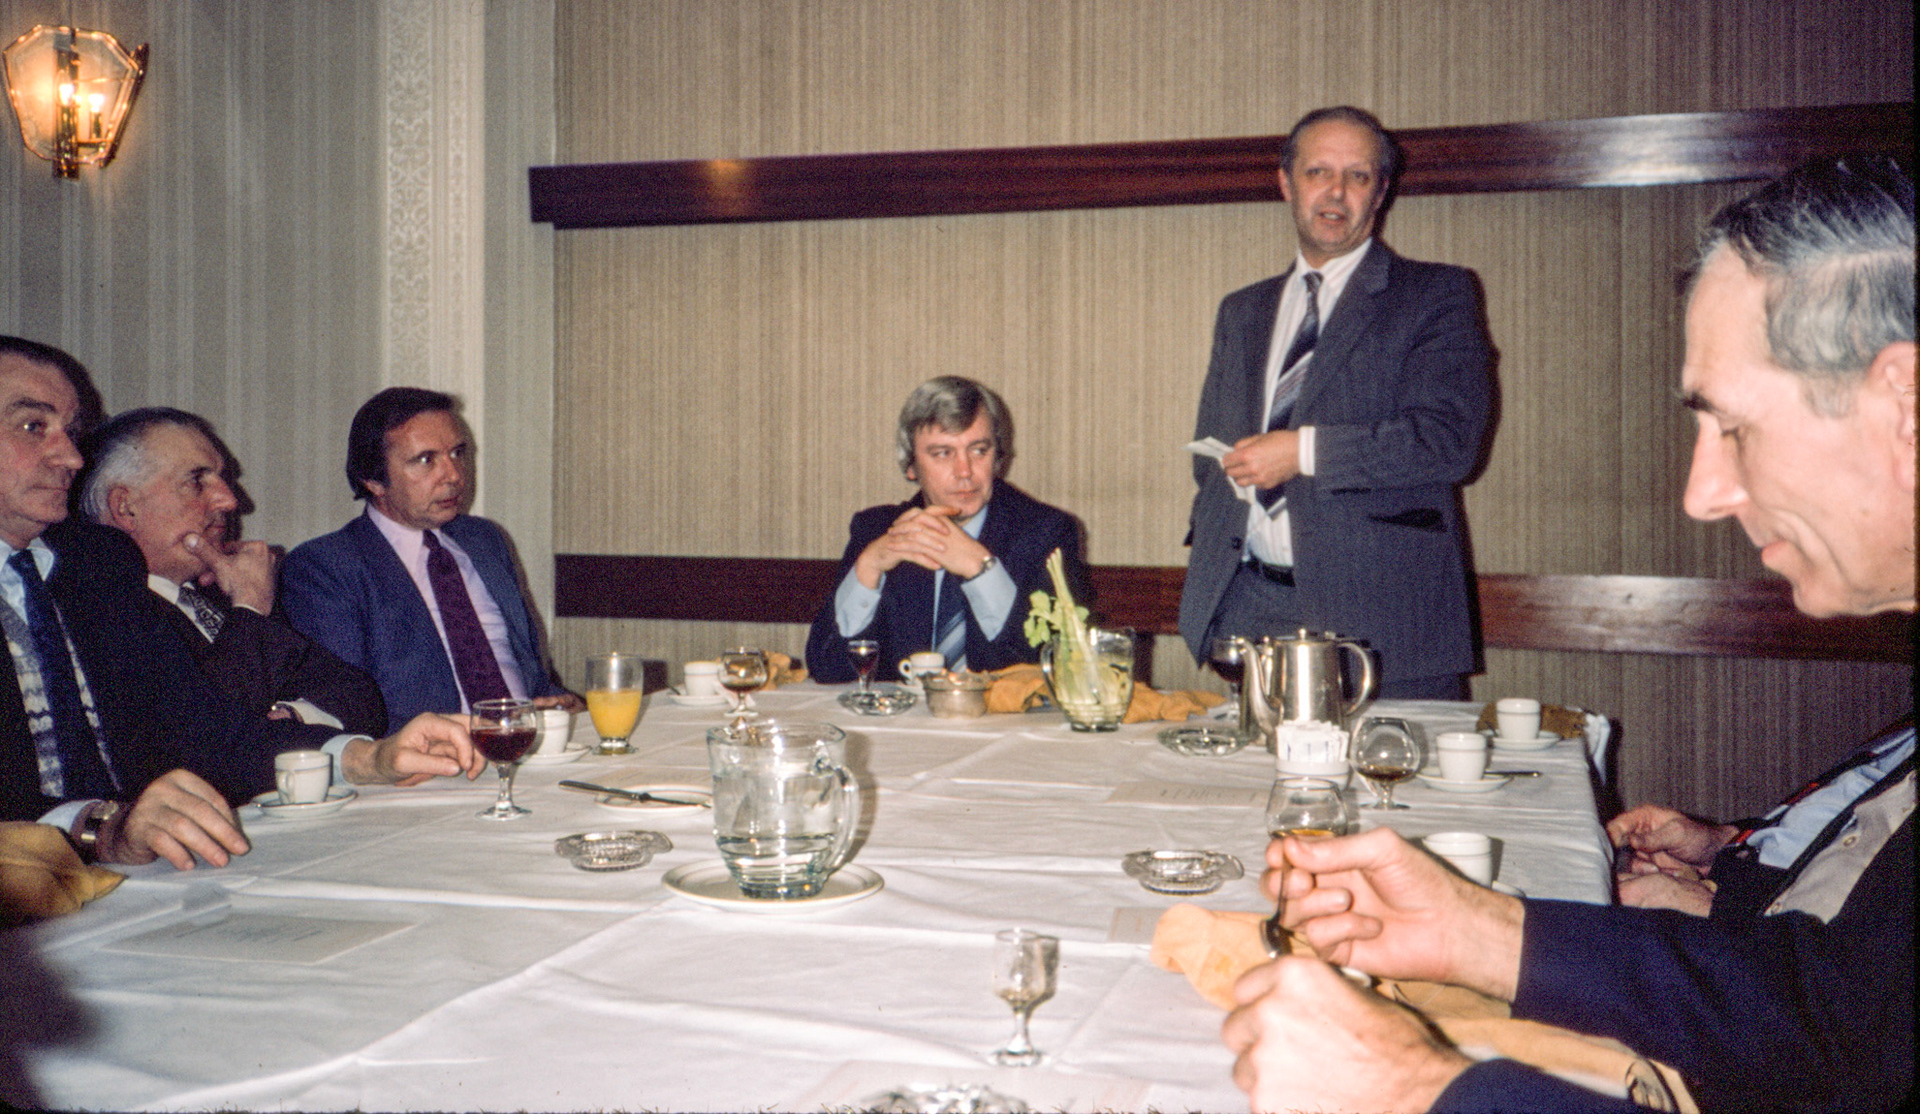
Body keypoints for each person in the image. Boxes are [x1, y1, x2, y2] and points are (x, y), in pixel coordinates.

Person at [1222, 154, 1914, 1113]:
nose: (1701, 495)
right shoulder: (1246, 307)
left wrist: (1422, 1088)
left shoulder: (1430, 298)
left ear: (1905, 403)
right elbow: (1834, 1022)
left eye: (1733, 428)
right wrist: (1484, 928)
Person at [0, 337, 483, 871]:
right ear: (124, 506)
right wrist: (100, 828)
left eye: (71, 431)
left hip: (144, 870)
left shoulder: (95, 562)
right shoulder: (128, 572)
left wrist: (370, 758)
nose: (69, 456)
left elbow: (204, 732)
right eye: (32, 426)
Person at [1179, 106, 1492, 699]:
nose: (1336, 192)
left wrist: (1302, 451)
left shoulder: (1436, 294)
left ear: (1382, 192)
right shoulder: (1242, 311)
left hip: (1383, 623)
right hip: (1251, 613)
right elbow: (1209, 460)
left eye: (1358, 176)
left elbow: (1449, 441)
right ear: (1286, 184)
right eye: (1319, 172)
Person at [75, 407, 388, 736]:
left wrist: (292, 715)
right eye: (197, 481)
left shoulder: (221, 592)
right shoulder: (101, 609)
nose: (229, 500)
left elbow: (361, 699)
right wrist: (250, 606)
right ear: (126, 507)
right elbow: (204, 735)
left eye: (222, 479)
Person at [280, 388, 580, 725]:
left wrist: (556, 703)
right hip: (428, 764)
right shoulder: (327, 567)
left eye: (457, 453)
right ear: (374, 481)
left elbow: (527, 669)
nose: (453, 475)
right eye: (426, 460)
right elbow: (345, 709)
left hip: (528, 741)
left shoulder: (484, 540)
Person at [805, 376, 1088, 682]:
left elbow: (1062, 668)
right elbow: (827, 669)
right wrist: (869, 567)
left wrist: (981, 569)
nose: (965, 472)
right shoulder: (877, 532)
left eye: (979, 451)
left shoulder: (1044, 533)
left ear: (997, 458)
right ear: (911, 465)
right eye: (943, 453)